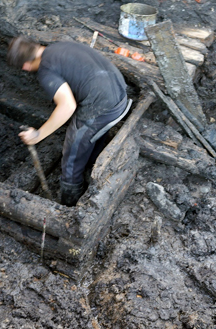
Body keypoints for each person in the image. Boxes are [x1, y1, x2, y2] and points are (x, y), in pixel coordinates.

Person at [7, 37, 131, 206]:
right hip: (120, 95)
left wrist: (38, 134)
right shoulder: (59, 45)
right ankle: (92, 163)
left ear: (26, 66)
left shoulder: (46, 70)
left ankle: (69, 203)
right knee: (92, 133)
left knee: (73, 150)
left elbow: (67, 105)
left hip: (105, 107)